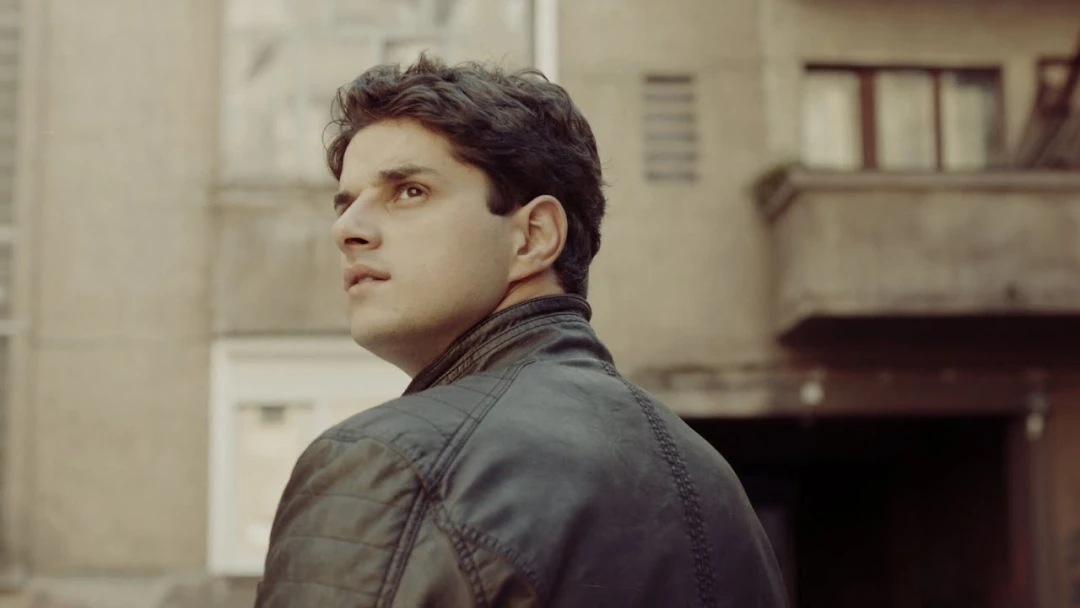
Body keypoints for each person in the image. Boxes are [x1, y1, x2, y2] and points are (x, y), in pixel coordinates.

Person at [255, 54, 787, 608]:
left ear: (533, 237)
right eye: (346, 204)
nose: (347, 229)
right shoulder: (712, 482)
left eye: (409, 191)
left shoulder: (395, 462)